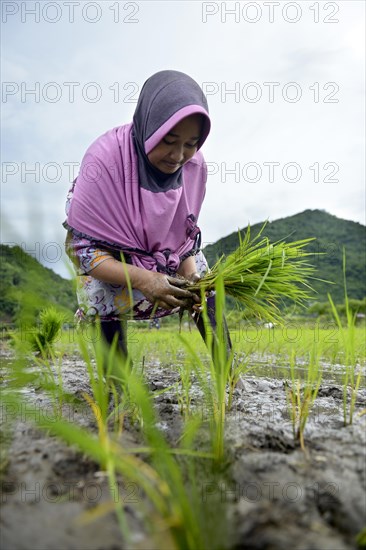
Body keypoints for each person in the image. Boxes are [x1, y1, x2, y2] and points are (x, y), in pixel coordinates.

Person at [63, 70, 231, 366]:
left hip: (160, 257)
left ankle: (229, 374)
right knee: (99, 294)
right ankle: (119, 390)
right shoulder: (105, 161)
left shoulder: (193, 167)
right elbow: (83, 252)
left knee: (205, 285)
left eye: (191, 143)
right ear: (150, 126)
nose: (178, 155)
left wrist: (191, 281)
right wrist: (145, 279)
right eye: (168, 140)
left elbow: (183, 239)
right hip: (108, 259)